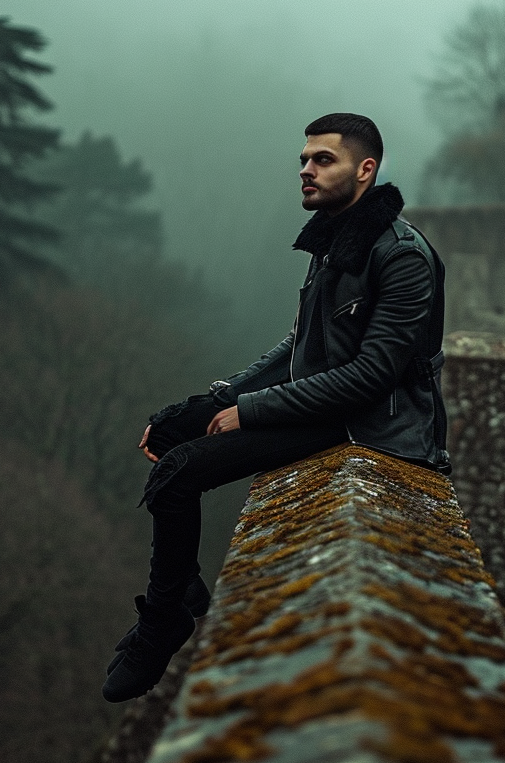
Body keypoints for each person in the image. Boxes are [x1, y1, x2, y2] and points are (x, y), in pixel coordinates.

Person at [103, 112, 449, 702]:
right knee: (172, 446)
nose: (306, 171)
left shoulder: (402, 257)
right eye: (303, 160)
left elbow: (369, 378)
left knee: (178, 473)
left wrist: (254, 410)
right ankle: (182, 589)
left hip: (369, 430)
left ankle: (163, 626)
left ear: (365, 171)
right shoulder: (336, 241)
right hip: (325, 410)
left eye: (323, 160)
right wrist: (205, 404)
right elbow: (299, 349)